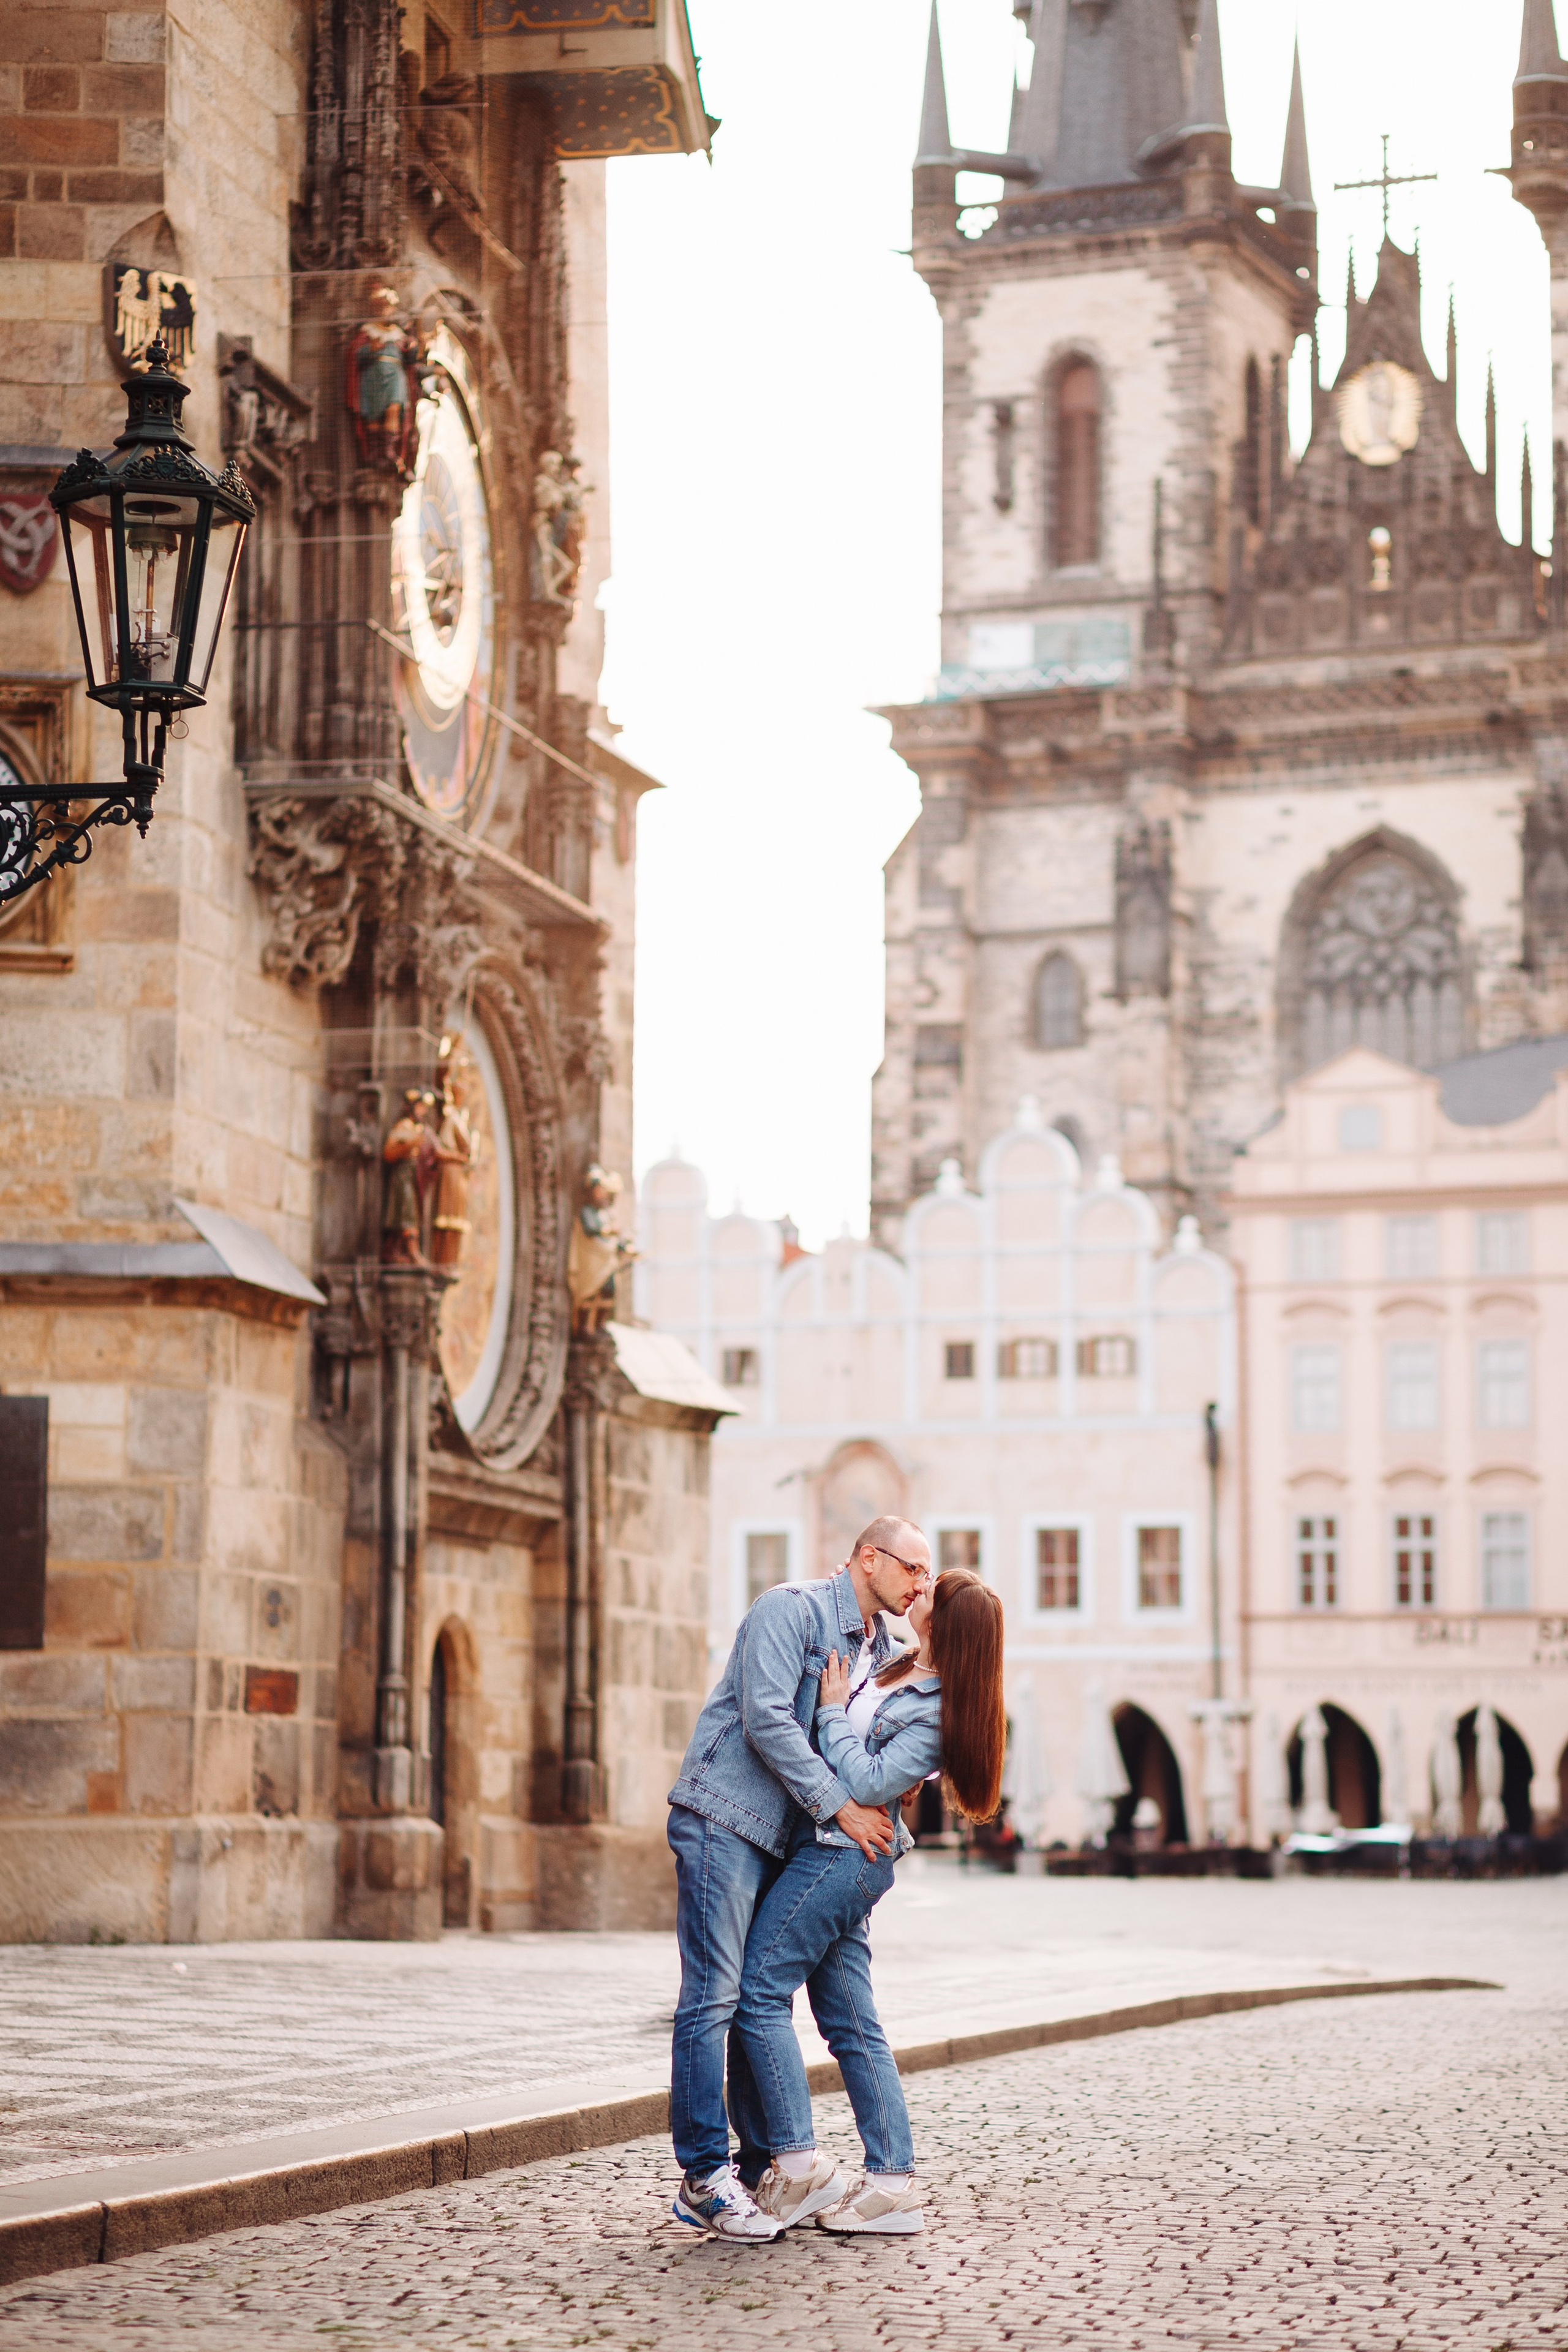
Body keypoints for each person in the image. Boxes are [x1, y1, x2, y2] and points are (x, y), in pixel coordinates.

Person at [665, 1518, 932, 2239]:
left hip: (793, 1839)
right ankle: (703, 2176)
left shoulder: (886, 1650)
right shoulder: (793, 1608)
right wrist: (842, 1808)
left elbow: (866, 1743)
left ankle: (763, 2171)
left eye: (927, 1575)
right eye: (912, 1569)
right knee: (718, 1994)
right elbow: (767, 1720)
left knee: (761, 1990)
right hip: (726, 1816)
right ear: (868, 1557)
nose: (921, 1585)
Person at [733, 1567, 1005, 2237]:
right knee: (852, 2025)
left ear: (947, 1625)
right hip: (832, 1850)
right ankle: (891, 2184)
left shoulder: (935, 1712)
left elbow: (870, 1777)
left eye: (929, 1592)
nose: (917, 1592)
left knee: (760, 1990)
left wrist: (828, 1711)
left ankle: (798, 2166)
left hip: (843, 1858)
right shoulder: (896, 1666)